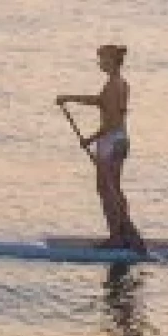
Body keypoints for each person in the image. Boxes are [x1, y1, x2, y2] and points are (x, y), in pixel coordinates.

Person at [58, 44, 145, 253]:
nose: (99, 63)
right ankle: (123, 233)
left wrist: (90, 139)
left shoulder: (115, 85)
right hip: (118, 140)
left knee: (106, 190)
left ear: (112, 61)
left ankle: (117, 238)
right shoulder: (118, 83)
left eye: (102, 59)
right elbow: (100, 102)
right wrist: (69, 98)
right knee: (113, 189)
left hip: (111, 141)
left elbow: (113, 121)